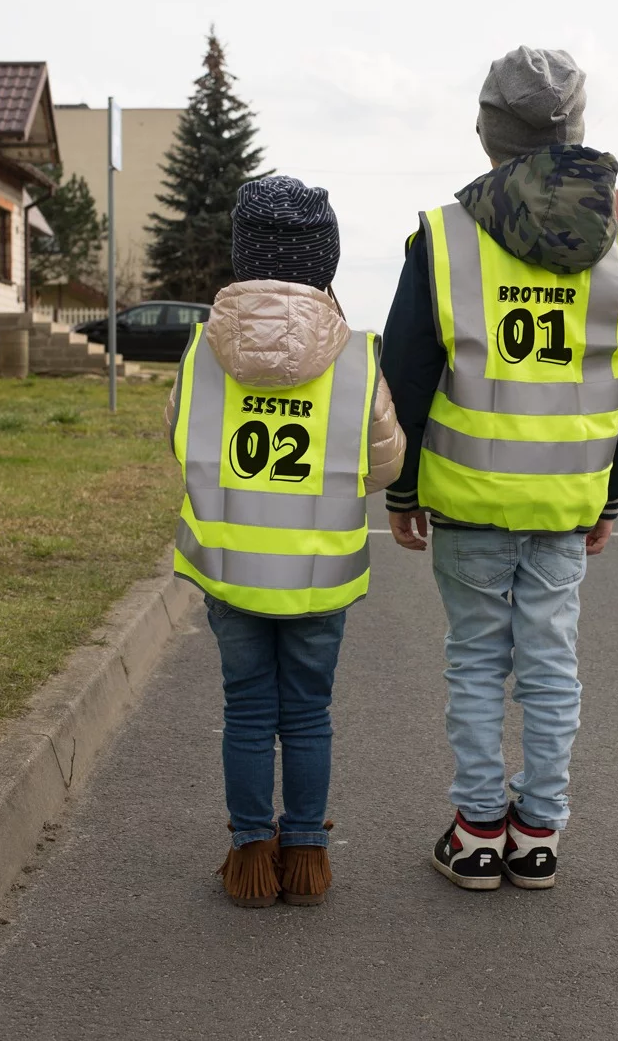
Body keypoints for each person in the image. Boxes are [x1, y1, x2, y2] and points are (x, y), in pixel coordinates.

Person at [381, 47, 618, 891]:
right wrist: (611, 495)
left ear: (488, 131)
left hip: (465, 495)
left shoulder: (444, 235)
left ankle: (477, 830)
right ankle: (539, 834)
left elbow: (410, 372)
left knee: (474, 662)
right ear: (574, 129)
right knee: (551, 664)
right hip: (565, 501)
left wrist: (400, 484)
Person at [166, 176, 405, 907]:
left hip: (230, 572)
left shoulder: (201, 352)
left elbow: (182, 442)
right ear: (325, 260)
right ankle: (305, 856)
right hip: (316, 577)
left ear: (243, 256)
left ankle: (248, 854)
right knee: (305, 712)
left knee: (246, 710)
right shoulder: (358, 358)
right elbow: (385, 464)